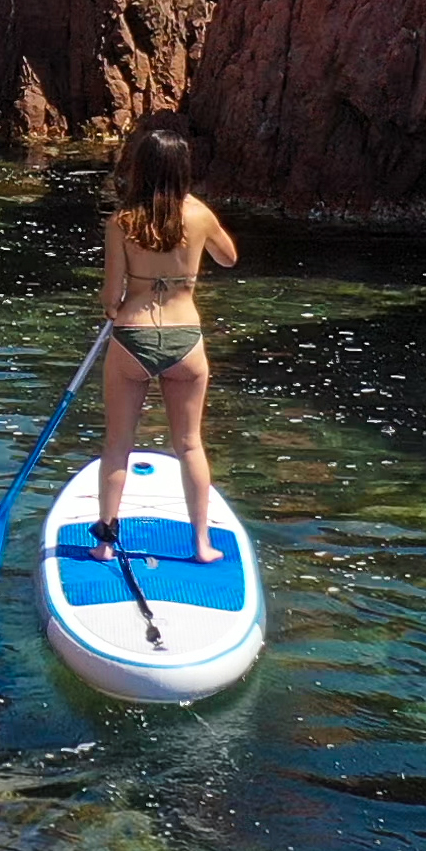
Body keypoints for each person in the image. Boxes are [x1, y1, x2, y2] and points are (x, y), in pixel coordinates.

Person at [96, 119, 238, 564]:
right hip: (185, 339)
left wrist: (114, 306)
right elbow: (229, 258)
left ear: (140, 168)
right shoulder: (199, 216)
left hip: (133, 336)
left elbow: (111, 296)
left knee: (118, 444)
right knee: (191, 445)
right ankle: (201, 545)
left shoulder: (122, 222)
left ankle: (104, 542)